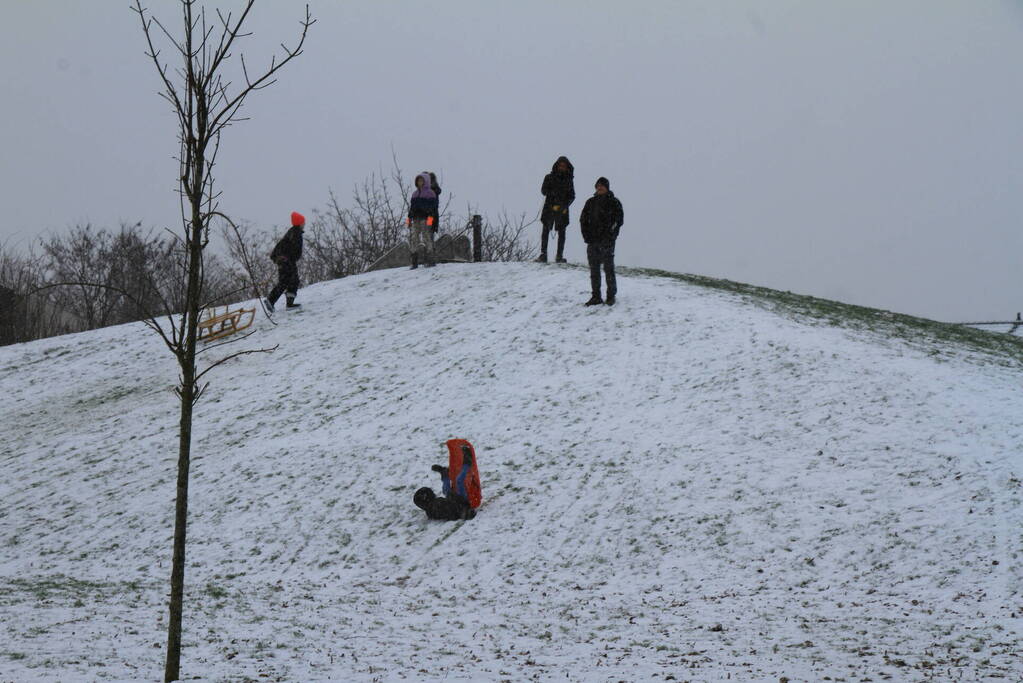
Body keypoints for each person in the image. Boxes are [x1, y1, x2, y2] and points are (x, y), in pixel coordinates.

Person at [579, 177, 624, 306]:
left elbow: (619, 220)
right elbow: (583, 220)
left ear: (607, 187)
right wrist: (586, 236)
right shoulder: (590, 202)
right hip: (592, 241)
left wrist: (610, 235)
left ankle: (611, 296)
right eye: (598, 185)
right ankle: (596, 296)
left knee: (608, 269)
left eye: (602, 185)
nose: (600, 187)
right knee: (594, 271)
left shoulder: (614, 202)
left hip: (607, 242)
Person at [413, 446, 477, 521]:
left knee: (446, 490)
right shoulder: (433, 511)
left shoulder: (432, 508)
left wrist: (451, 497)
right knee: (459, 481)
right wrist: (463, 510)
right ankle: (467, 463)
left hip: (453, 499)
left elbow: (447, 506)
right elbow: (453, 513)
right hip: (461, 500)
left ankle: (444, 474)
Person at [536, 156, 575, 263]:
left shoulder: (569, 180)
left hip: (563, 209)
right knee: (545, 230)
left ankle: (559, 256)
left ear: (567, 167)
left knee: (562, 232)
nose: (562, 167)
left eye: (564, 166)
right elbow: (543, 190)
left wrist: (565, 205)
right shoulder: (549, 177)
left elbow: (572, 196)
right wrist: (553, 195)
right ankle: (543, 255)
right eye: (560, 165)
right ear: (557, 166)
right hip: (549, 207)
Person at [265, 211, 305, 312]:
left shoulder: (292, 231)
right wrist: (290, 258)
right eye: (303, 222)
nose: (304, 224)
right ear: (300, 223)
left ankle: (287, 304)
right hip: (287, 260)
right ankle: (271, 300)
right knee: (287, 281)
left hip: (284, 260)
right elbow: (295, 249)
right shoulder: (296, 233)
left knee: (292, 281)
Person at [408, 172, 439, 269]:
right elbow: (411, 208)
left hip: (426, 219)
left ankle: (430, 259)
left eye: (421, 180)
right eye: (418, 180)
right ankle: (414, 261)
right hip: (416, 219)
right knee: (414, 238)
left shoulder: (430, 193)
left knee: (427, 238)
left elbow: (433, 208)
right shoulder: (415, 194)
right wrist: (408, 219)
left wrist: (430, 220)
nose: (420, 182)